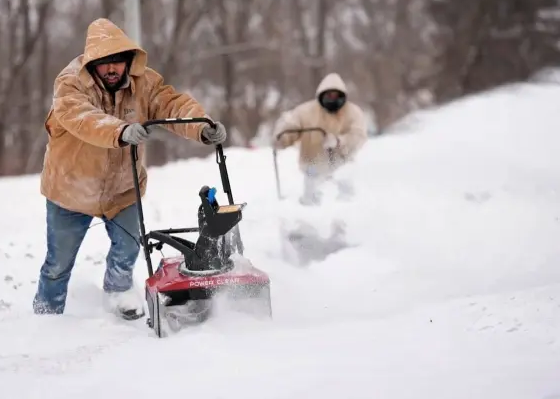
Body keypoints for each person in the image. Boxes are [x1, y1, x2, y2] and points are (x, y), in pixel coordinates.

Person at [32, 18, 226, 320]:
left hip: (122, 188)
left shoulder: (144, 83)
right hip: (71, 190)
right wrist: (120, 131)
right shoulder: (69, 84)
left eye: (117, 62)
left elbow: (171, 104)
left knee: (128, 248)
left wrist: (203, 126)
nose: (112, 69)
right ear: (91, 63)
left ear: (128, 61)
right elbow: (83, 118)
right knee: (58, 264)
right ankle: (45, 316)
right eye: (104, 63)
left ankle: (118, 291)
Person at [272, 73, 368, 205]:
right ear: (322, 95)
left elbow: (359, 136)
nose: (332, 99)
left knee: (345, 203)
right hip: (313, 166)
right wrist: (282, 138)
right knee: (311, 202)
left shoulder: (353, 112)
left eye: (336, 95)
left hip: (342, 166)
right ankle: (310, 218)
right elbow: (290, 130)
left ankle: (345, 220)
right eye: (329, 95)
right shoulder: (305, 112)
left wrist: (338, 141)